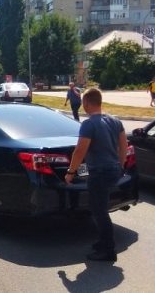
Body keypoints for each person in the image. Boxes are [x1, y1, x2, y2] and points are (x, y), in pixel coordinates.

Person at [65, 88, 127, 262]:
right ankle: (102, 241)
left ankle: (108, 250)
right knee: (101, 208)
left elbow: (80, 151)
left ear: (85, 103)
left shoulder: (88, 124)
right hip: (114, 170)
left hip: (99, 173)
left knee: (99, 211)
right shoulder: (115, 121)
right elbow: (124, 146)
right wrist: (120, 165)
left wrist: (71, 172)